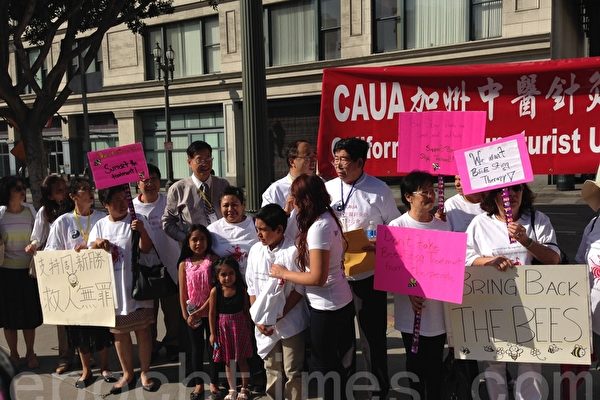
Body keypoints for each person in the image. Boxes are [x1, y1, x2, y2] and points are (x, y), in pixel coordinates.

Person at [466, 183, 561, 400]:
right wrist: (489, 261)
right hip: (492, 305)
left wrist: (526, 241)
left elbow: (553, 259)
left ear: (523, 192)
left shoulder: (537, 220)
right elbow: (466, 258)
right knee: (494, 360)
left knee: (531, 360)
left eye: (516, 189)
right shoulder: (480, 224)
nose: (510, 195)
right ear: (493, 196)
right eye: (503, 191)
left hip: (531, 306)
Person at [324, 137, 399, 397]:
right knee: (342, 339)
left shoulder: (379, 190)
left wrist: (379, 241)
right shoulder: (327, 189)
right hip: (336, 276)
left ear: (359, 162)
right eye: (336, 159)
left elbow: (394, 228)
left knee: (373, 336)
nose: (338, 165)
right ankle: (347, 389)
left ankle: (379, 388)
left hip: (368, 274)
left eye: (344, 160)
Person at [270, 174, 355, 400]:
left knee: (325, 366)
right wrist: (287, 211)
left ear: (306, 200)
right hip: (338, 302)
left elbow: (318, 277)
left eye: (295, 197)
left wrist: (284, 273)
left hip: (328, 308)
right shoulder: (326, 217)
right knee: (335, 364)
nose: (292, 201)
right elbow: (287, 233)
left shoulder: (319, 227)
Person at [45, 177, 115, 388]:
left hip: (99, 282)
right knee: (80, 330)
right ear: (73, 196)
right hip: (74, 285)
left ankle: (104, 367)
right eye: (84, 189)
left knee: (102, 328)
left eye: (91, 189)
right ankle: (86, 370)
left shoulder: (102, 218)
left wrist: (100, 246)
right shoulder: (63, 222)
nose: (90, 193)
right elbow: (51, 250)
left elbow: (113, 245)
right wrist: (72, 254)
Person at [88, 185, 159, 393]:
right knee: (119, 333)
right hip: (113, 290)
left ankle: (145, 372)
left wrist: (142, 231)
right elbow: (90, 252)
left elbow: (147, 248)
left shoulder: (137, 220)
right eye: (115, 201)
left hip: (137, 287)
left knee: (143, 331)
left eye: (123, 199)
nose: (121, 204)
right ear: (106, 204)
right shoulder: (100, 225)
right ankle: (127, 373)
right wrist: (97, 244)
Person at [389, 171, 450, 400]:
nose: (430, 195)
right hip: (410, 311)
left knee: (435, 365)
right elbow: (392, 268)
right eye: (424, 192)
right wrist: (409, 288)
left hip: (437, 311)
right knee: (414, 365)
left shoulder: (443, 226)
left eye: (432, 190)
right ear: (408, 197)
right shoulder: (397, 226)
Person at [246, 204, 308, 400]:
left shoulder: (293, 251)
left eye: (263, 230)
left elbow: (299, 289)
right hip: (264, 324)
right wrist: (259, 318)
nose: (259, 234)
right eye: (257, 229)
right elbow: (251, 287)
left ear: (279, 229)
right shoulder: (255, 251)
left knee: (293, 370)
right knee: (272, 368)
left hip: (290, 322)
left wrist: (278, 315)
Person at [25, 174, 74, 375]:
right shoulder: (44, 212)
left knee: (84, 310)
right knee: (62, 313)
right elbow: (37, 237)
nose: (65, 192)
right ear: (50, 195)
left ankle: (85, 353)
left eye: (65, 188)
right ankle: (65, 355)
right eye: (59, 190)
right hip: (56, 268)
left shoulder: (76, 206)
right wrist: (33, 245)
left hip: (79, 266)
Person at [133, 164, 180, 361]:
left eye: (153, 179)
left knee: (173, 311)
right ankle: (150, 347)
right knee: (148, 313)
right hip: (144, 269)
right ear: (138, 183)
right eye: (145, 180)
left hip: (169, 264)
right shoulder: (131, 208)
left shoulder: (170, 203)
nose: (149, 183)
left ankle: (173, 344)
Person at [0, 176, 42, 370]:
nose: (22, 191)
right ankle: (14, 353)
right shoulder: (1, 215)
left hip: (28, 271)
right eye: (17, 189)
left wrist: (34, 244)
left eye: (23, 188)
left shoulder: (30, 212)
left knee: (29, 317)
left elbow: (39, 236)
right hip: (6, 272)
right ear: (7, 192)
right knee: (9, 318)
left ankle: (30, 352)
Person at [178, 224, 220, 400]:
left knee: (213, 347)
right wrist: (186, 314)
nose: (198, 243)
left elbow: (216, 290)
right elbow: (183, 292)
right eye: (194, 239)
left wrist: (203, 309)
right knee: (196, 348)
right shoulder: (184, 264)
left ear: (208, 241)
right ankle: (198, 383)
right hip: (192, 314)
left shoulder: (213, 260)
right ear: (188, 242)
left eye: (202, 239)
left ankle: (214, 383)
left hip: (211, 312)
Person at [163, 140, 230, 242]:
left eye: (208, 158)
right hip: (196, 247)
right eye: (199, 160)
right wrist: (187, 240)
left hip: (223, 242)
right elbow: (167, 222)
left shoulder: (223, 184)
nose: (205, 164)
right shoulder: (178, 189)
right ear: (189, 162)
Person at [209, 257, 253, 400]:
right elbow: (212, 313)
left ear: (236, 273)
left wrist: (249, 328)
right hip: (224, 329)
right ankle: (232, 389)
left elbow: (246, 309)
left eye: (231, 273)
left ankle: (245, 388)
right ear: (217, 276)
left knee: (242, 359)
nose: (227, 278)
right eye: (223, 274)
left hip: (240, 327)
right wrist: (212, 334)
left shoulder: (241, 289)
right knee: (228, 361)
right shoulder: (215, 291)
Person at [208, 186, 258, 277]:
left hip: (253, 281)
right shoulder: (212, 230)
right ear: (220, 207)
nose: (230, 209)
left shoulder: (256, 225)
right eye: (226, 205)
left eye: (234, 205)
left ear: (243, 205)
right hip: (226, 284)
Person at [261, 140, 316, 213]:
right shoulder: (275, 190)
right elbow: (265, 220)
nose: (313, 160)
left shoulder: (322, 186)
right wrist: (285, 213)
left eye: (314, 156)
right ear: (292, 162)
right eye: (307, 156)